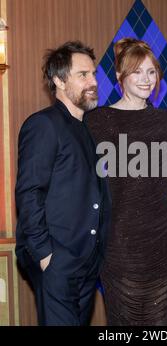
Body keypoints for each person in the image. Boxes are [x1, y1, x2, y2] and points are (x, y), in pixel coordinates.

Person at [85, 38, 167, 326]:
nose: (146, 79)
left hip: (166, 244)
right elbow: (87, 183)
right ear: (119, 76)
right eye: (137, 72)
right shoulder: (97, 122)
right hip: (119, 247)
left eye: (151, 72)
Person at [15, 41, 111, 326]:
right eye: (83, 75)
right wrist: (46, 255)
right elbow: (29, 192)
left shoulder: (90, 129)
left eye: (93, 74)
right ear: (58, 80)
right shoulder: (43, 124)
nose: (93, 81)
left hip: (87, 260)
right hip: (57, 260)